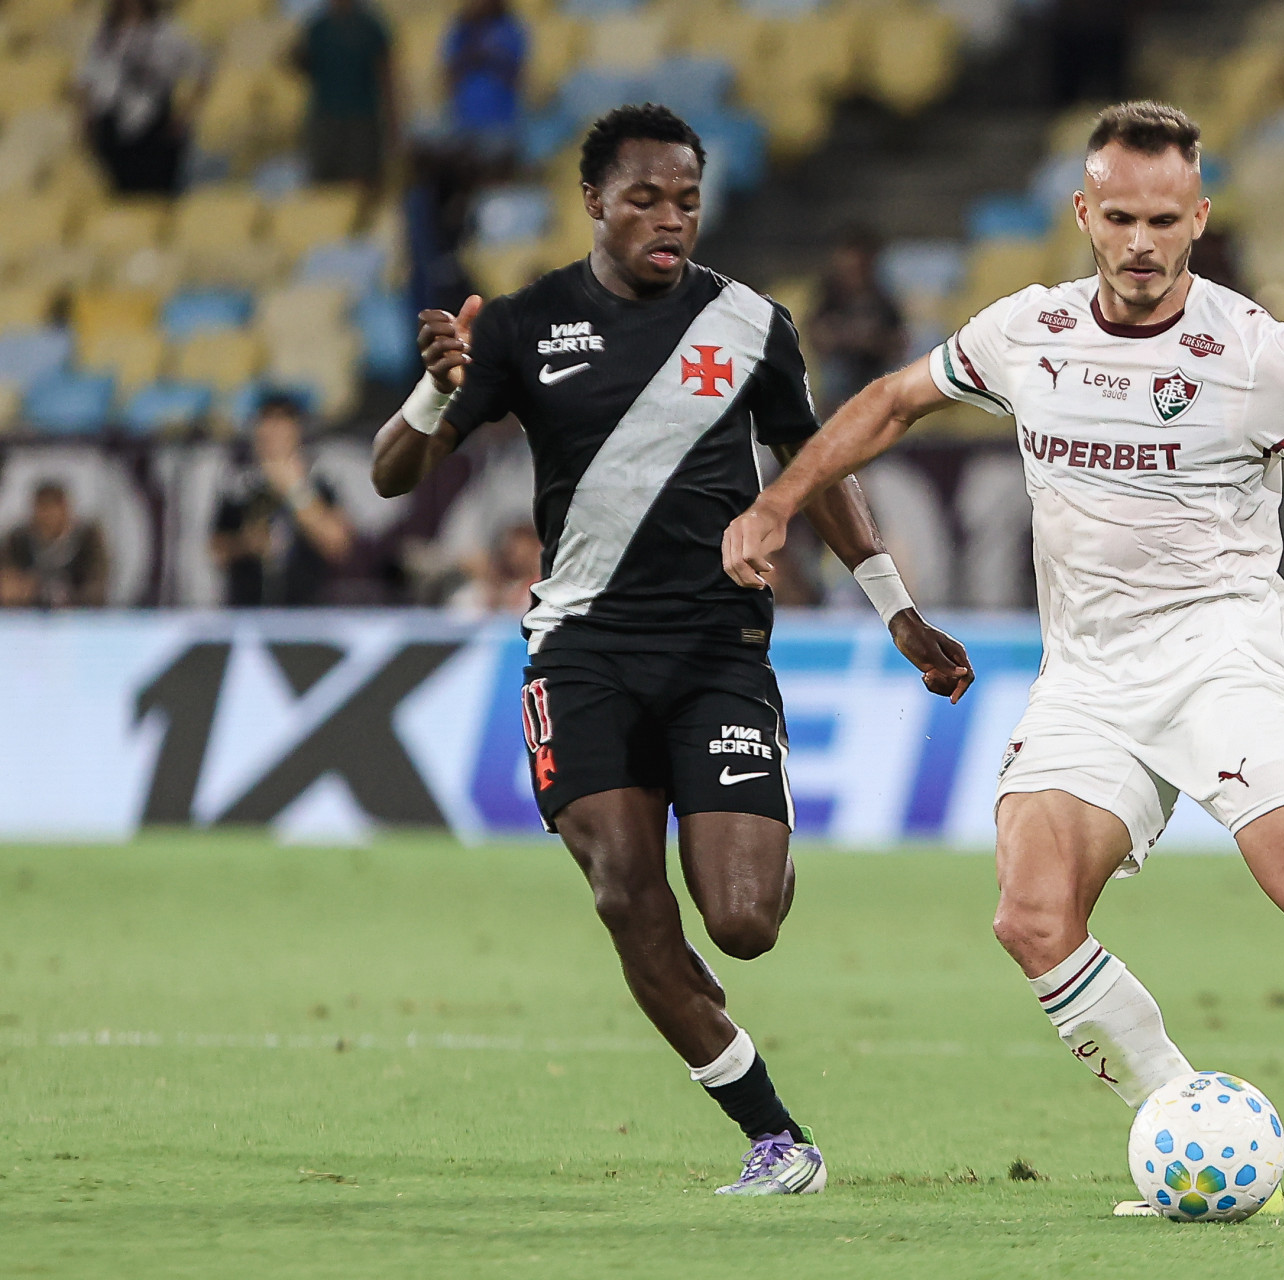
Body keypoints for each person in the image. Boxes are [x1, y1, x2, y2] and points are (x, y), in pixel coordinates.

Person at [723, 102, 1284, 1217]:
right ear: (1084, 214)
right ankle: (1179, 1121)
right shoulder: (1028, 330)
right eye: (1119, 216)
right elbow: (886, 404)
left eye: (1165, 218)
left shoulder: (1253, 356)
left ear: (1200, 218)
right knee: (1031, 916)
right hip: (1088, 674)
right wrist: (777, 504)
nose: (1141, 242)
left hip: (1221, 659)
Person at [369, 105, 973, 1197]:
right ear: (595, 200)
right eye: (645, 198)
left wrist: (893, 606)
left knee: (743, 922)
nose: (669, 219)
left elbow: (820, 468)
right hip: (582, 652)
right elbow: (391, 474)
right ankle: (775, 1135)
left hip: (717, 648)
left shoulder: (751, 325)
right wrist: (436, 389)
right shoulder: (518, 325)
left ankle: (757, 821)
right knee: (623, 888)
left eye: (686, 200)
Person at [211, 395, 358, 607]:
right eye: (267, 423)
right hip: (247, 610)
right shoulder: (239, 485)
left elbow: (338, 544)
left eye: (281, 424)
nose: (274, 432)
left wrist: (295, 491)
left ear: (296, 431)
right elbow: (216, 548)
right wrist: (246, 543)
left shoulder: (318, 482)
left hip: (307, 613)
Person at [74, 0, 208, 195]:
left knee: (155, 192)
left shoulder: (169, 33)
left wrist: (185, 113)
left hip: (153, 121)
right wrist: (84, 118)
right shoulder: (104, 36)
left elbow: (202, 70)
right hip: (111, 122)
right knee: (120, 191)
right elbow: (86, 80)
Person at [293, 0, 395, 188]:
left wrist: (392, 126)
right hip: (326, 119)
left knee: (361, 185)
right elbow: (304, 66)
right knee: (324, 188)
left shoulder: (369, 27)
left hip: (362, 120)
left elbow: (385, 77)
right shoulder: (318, 28)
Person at [806, 228, 906, 416]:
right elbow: (817, 336)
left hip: (874, 376)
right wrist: (848, 336)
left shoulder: (882, 299)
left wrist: (874, 341)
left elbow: (898, 344)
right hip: (838, 376)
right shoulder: (829, 295)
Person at [0, 482, 109, 609]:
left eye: (52, 508)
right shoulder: (17, 540)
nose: (47, 516)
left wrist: (66, 597)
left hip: (81, 618)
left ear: (65, 510)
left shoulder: (88, 539)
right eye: (42, 508)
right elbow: (7, 581)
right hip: (27, 618)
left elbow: (97, 586)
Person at [442, 0, 526, 155]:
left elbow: (517, 76)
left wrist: (492, 55)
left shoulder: (511, 29)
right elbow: (449, 73)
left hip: (501, 126)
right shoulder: (461, 30)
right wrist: (472, 51)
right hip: (463, 124)